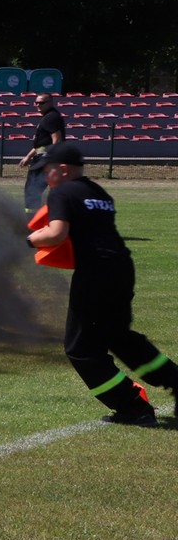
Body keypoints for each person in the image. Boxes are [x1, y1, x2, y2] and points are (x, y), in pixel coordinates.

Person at [26, 141, 178, 426]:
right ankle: (176, 381)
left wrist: (30, 239)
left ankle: (132, 406)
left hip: (95, 273)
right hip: (121, 268)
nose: (45, 176)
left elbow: (57, 233)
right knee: (118, 337)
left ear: (63, 169)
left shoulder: (62, 192)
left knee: (81, 349)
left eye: (47, 170)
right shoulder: (99, 192)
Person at [18, 93, 66, 215]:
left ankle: (32, 219)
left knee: (33, 191)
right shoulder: (49, 117)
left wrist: (50, 161)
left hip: (45, 159)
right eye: (36, 102)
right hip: (43, 157)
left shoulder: (51, 117)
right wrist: (28, 156)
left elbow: (57, 140)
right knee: (34, 190)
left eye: (42, 102)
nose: (38, 105)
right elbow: (42, 144)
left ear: (50, 103)